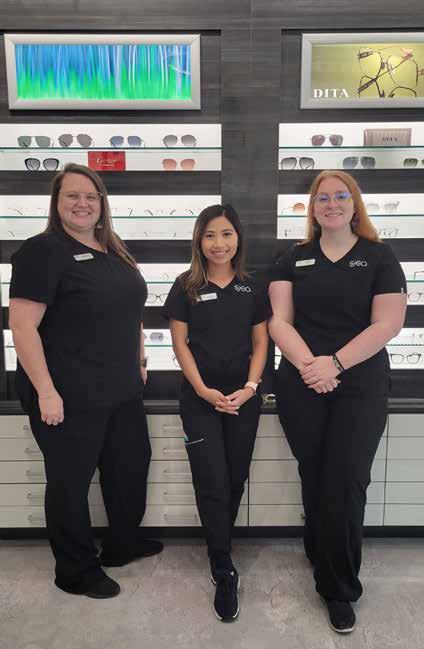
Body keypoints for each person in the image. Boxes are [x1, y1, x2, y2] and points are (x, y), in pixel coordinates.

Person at [9, 163, 162, 599]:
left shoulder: (112, 249)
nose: (83, 203)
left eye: (91, 196)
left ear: (102, 204)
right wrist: (46, 391)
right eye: (73, 195)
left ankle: (122, 542)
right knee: (70, 482)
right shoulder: (42, 251)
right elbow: (22, 326)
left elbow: (131, 311)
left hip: (120, 387)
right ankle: (74, 570)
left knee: (130, 466)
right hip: (68, 392)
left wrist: (140, 358)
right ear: (56, 203)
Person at [268, 170, 407, 633]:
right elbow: (279, 321)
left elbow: (388, 323)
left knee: (346, 480)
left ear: (354, 204)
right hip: (302, 380)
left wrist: (336, 364)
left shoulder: (379, 256)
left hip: (360, 383)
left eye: (340, 196)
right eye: (322, 197)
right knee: (315, 474)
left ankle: (339, 588)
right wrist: (312, 366)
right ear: (312, 207)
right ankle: (321, 550)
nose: (331, 204)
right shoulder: (293, 258)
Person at [162, 204, 269, 621]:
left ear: (237, 238)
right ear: (199, 240)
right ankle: (222, 565)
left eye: (226, 234)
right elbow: (180, 345)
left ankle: (221, 545)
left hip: (244, 399)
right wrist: (203, 390)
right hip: (199, 400)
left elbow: (260, 344)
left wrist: (250, 388)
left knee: (235, 477)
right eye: (209, 235)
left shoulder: (252, 287)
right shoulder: (185, 286)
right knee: (211, 480)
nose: (218, 243)